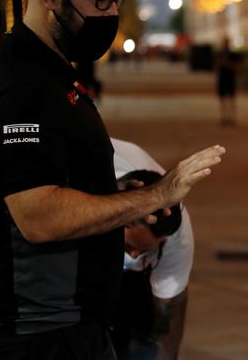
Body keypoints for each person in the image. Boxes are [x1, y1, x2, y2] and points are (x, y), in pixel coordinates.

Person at [0, 0, 226, 360]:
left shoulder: (55, 77)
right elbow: (37, 215)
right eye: (99, 2)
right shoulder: (23, 85)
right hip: (37, 336)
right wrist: (153, 195)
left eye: (117, 1)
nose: (111, 15)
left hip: (73, 328)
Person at [110, 138, 194, 360]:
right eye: (129, 247)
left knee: (142, 330)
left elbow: (170, 305)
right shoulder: (83, 197)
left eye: (145, 251)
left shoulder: (177, 234)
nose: (135, 256)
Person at [216, 37, 239, 126]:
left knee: (232, 98)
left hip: (230, 78)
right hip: (222, 78)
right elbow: (216, 66)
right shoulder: (220, 54)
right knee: (222, 99)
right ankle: (224, 117)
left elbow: (237, 66)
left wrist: (228, 64)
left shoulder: (233, 54)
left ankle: (232, 117)